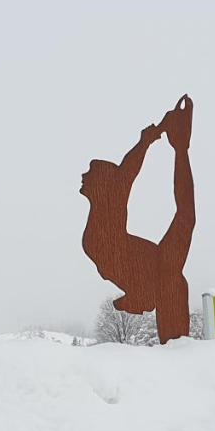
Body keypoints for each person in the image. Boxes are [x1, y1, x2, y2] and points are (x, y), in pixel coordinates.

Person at [81, 94, 195, 343]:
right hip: (144, 268)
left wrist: (153, 143)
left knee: (186, 217)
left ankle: (141, 294)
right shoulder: (104, 212)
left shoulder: (111, 201)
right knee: (186, 217)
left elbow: (127, 170)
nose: (84, 174)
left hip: (159, 270)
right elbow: (125, 170)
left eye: (90, 171)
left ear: (106, 183)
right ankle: (139, 294)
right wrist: (147, 141)